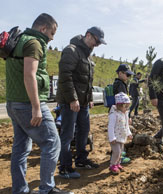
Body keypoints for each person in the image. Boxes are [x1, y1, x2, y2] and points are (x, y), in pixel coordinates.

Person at [5, 13, 72, 194]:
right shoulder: (34, 43)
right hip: (28, 104)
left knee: (21, 148)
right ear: (43, 29)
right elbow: (29, 75)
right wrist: (36, 107)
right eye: (52, 33)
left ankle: (20, 190)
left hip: (14, 103)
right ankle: (47, 189)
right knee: (52, 142)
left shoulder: (20, 40)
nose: (52, 38)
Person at [56, 26, 106, 179]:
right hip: (70, 102)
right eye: (96, 42)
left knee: (84, 132)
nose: (96, 46)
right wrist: (72, 99)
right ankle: (65, 167)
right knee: (68, 135)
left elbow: (87, 82)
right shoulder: (71, 51)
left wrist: (89, 99)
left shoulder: (87, 56)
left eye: (99, 44)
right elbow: (65, 77)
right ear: (88, 36)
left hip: (83, 103)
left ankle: (81, 161)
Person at [107, 92, 133, 174]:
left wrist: (129, 133)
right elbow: (110, 127)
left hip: (122, 136)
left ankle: (118, 164)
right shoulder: (113, 114)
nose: (127, 108)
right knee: (117, 152)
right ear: (119, 105)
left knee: (121, 152)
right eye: (125, 106)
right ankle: (112, 165)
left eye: (128, 106)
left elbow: (126, 125)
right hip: (115, 138)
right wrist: (112, 138)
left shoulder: (124, 114)